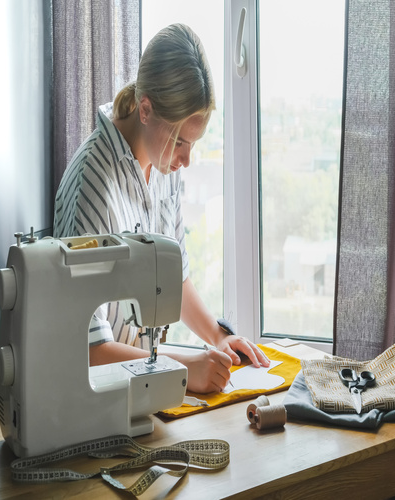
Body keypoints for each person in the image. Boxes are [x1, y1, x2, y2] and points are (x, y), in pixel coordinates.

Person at [53, 23, 269, 393]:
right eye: (181, 141)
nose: (187, 159)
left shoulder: (162, 163)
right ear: (146, 109)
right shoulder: (93, 184)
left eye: (194, 143)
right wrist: (183, 369)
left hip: (141, 392)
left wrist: (218, 338)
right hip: (95, 403)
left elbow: (172, 278)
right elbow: (86, 349)